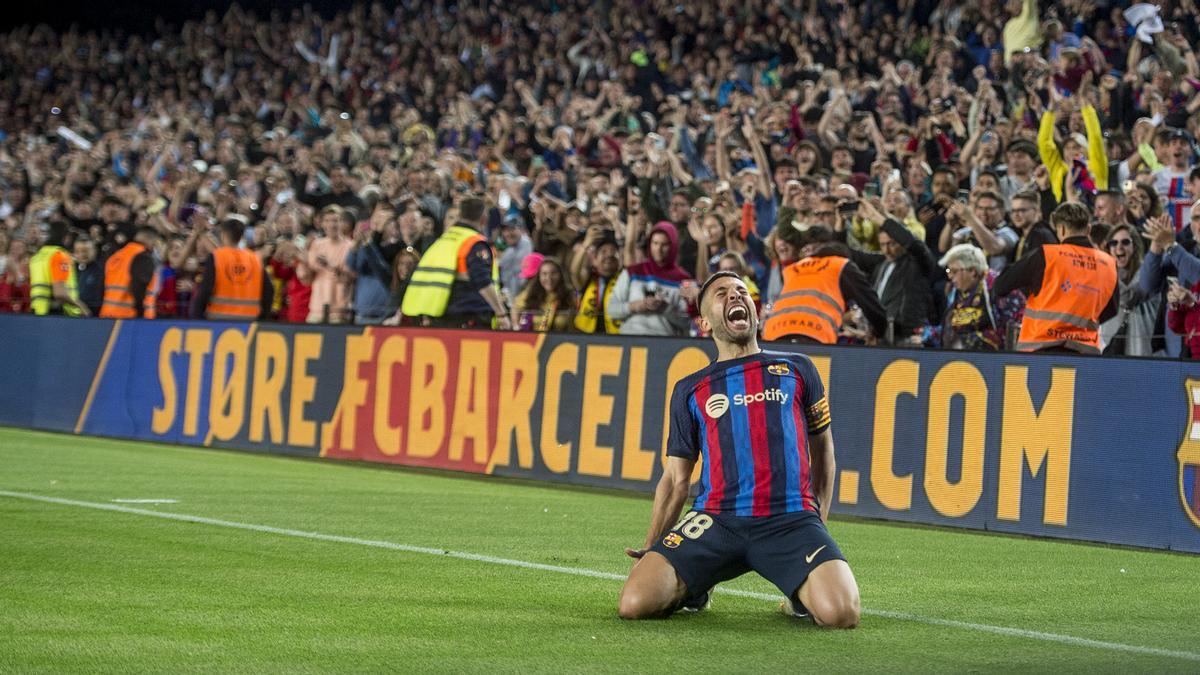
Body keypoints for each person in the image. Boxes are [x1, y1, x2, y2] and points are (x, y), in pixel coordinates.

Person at [618, 271, 860, 627]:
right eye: (721, 293)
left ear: (755, 312)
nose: (735, 296)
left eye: (741, 291)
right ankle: (697, 587)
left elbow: (823, 454)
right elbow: (675, 479)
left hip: (790, 520)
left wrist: (818, 524)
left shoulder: (799, 368)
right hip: (716, 519)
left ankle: (797, 593)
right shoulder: (690, 388)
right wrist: (652, 545)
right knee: (636, 604)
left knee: (841, 614)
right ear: (704, 322)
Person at [995, 202, 1119, 354]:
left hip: (1041, 351)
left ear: (1061, 229)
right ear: (1088, 229)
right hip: (1085, 354)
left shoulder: (1046, 255)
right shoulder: (1108, 263)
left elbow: (1000, 286)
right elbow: (1111, 310)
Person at [401, 196, 510, 329]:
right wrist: (501, 314)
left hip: (440, 315)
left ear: (460, 215)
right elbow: (482, 281)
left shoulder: (442, 241)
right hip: (469, 317)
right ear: (484, 218)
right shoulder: (474, 243)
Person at [762, 230, 888, 345]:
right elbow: (871, 304)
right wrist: (879, 332)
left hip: (773, 335)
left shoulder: (794, 268)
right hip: (813, 335)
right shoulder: (841, 264)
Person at [607, 221, 694, 337]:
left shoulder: (684, 280)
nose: (659, 249)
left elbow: (688, 322)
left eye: (665, 244)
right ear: (649, 244)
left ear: (673, 246)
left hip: (665, 342)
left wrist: (665, 308)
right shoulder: (631, 272)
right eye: (655, 243)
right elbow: (611, 310)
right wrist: (635, 306)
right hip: (629, 338)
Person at [192, 217, 274, 321]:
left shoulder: (217, 257)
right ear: (242, 236)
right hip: (249, 322)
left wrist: (197, 319)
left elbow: (205, 290)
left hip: (218, 321)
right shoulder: (254, 259)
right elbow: (269, 291)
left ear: (223, 235)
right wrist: (261, 319)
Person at [1099, 223, 1160, 356]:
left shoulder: (1146, 273)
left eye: (1125, 242)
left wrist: (1103, 268)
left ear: (1135, 246)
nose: (1119, 247)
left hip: (1142, 350)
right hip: (1112, 348)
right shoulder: (1105, 275)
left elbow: (1128, 298)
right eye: (1113, 243)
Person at [939, 244, 1003, 350]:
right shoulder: (956, 293)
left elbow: (1012, 329)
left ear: (972, 271)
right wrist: (925, 335)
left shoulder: (997, 287)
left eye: (954, 271)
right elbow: (947, 329)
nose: (950, 276)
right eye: (948, 271)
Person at [305, 205, 355, 323]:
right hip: (317, 305)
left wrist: (329, 265)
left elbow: (350, 275)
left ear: (342, 223)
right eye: (327, 221)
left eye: (335, 220)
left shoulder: (350, 246)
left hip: (339, 307)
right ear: (322, 224)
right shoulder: (317, 244)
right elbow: (310, 268)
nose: (332, 225)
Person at [30, 220, 90, 317]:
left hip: (37, 311)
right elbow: (60, 293)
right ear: (65, 237)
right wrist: (81, 306)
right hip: (56, 313)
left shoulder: (37, 257)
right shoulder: (59, 256)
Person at [99, 226, 161, 319]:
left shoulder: (115, 256)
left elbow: (102, 286)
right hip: (130, 317)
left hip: (107, 314)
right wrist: (140, 313)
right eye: (154, 242)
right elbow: (139, 287)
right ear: (150, 239)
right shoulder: (143, 257)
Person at [572, 229, 624, 335]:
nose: (609, 255)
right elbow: (574, 271)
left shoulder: (624, 279)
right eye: (604, 251)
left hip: (617, 338)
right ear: (594, 260)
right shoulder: (588, 280)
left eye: (613, 251)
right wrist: (586, 244)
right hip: (585, 337)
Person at [511, 256, 576, 332]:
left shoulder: (569, 295)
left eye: (553, 273)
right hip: (534, 342)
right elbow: (515, 306)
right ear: (539, 276)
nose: (549, 278)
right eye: (544, 274)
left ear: (560, 275)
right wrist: (516, 327)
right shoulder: (531, 292)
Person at [73, 236, 103, 315]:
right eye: (78, 251)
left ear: (94, 251)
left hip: (94, 315)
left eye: (85, 251)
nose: (82, 254)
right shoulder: (70, 269)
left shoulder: (101, 270)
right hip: (72, 314)